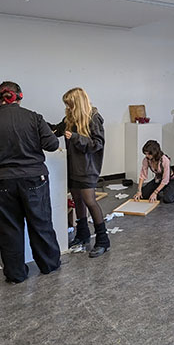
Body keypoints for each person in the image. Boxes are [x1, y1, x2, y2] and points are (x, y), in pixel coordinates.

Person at [0, 82, 62, 283]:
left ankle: (15, 274)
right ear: (20, 96)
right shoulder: (34, 118)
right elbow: (52, 145)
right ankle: (49, 265)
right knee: (41, 223)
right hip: (34, 179)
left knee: (8, 229)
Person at [51, 87, 109, 258]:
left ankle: (103, 240)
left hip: (87, 168)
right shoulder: (69, 119)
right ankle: (82, 234)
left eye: (70, 105)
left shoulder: (94, 118)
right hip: (73, 167)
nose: (68, 108)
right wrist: (37, 122)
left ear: (78, 103)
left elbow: (97, 144)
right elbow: (55, 130)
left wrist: (76, 137)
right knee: (77, 200)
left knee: (90, 201)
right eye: (66, 105)